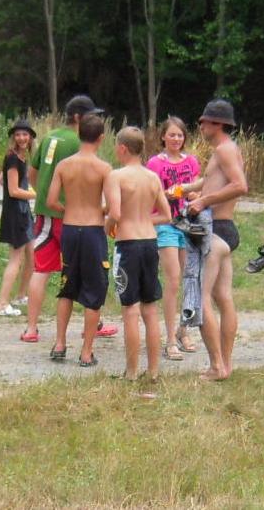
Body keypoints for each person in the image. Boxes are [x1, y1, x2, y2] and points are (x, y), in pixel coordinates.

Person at [22, 95, 117, 342]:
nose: (94, 119)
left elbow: (32, 173)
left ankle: (31, 328)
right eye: (90, 115)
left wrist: (43, 194)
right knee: (86, 269)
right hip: (73, 218)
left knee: (41, 269)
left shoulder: (50, 136)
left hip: (45, 213)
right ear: (77, 117)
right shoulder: (79, 141)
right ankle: (95, 324)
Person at [180, 99, 248, 381]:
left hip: (215, 229)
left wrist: (203, 201)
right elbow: (215, 182)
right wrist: (190, 189)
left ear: (217, 124)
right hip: (223, 229)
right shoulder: (226, 150)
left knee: (200, 297)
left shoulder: (224, 149)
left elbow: (240, 185)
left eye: (204, 122)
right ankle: (225, 366)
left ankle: (217, 366)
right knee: (223, 297)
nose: (200, 126)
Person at [105, 127, 172, 380]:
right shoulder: (152, 177)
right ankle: (153, 370)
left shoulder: (116, 176)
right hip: (150, 242)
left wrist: (107, 227)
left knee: (130, 310)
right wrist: (144, 218)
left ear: (122, 148)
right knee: (150, 309)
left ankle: (132, 371)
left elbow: (115, 213)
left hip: (128, 244)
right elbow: (166, 215)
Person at [46, 114, 112, 366]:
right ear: (101, 138)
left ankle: (59, 343)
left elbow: (51, 201)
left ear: (79, 134)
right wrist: (99, 210)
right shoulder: (104, 168)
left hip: (71, 229)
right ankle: (86, 352)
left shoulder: (64, 165)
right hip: (93, 230)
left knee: (67, 286)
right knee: (94, 290)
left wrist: (69, 209)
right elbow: (111, 205)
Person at [146, 116, 201, 361]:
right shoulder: (155, 163)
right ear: (163, 137)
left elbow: (197, 189)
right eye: (172, 135)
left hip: (187, 224)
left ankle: (183, 330)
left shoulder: (191, 161)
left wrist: (194, 195)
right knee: (173, 280)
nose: (176, 139)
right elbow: (151, 192)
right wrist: (165, 195)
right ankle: (169, 339)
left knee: (188, 278)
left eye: (180, 135)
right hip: (165, 224)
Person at [0, 119, 37, 317]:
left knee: (32, 255)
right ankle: (1, 304)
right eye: (18, 135)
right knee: (15, 260)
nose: (21, 138)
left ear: (30, 137)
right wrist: (36, 195)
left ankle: (21, 295)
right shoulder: (12, 158)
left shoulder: (20, 158)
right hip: (15, 215)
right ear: (13, 137)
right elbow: (13, 191)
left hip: (23, 212)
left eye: (25, 134)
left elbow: (0, 179)